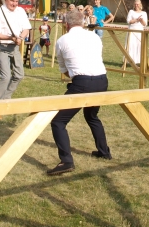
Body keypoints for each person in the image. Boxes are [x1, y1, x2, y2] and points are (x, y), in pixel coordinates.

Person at [47, 10, 111, 175]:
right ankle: (104, 152)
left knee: (58, 122)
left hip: (82, 83)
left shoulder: (62, 41)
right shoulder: (95, 37)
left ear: (66, 24)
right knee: (92, 116)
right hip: (102, 80)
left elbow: (66, 71)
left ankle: (66, 161)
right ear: (83, 22)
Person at [0, 0, 32, 118]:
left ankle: (5, 99)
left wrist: (21, 37)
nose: (14, 4)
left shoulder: (20, 11)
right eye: (12, 1)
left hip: (14, 47)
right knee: (5, 76)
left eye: (17, 1)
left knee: (19, 75)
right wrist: (11, 38)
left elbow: (26, 28)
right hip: (1, 46)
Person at [126, 0, 147, 64]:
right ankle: (129, 61)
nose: (136, 5)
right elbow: (129, 21)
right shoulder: (131, 11)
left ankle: (139, 61)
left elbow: (145, 24)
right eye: (135, 4)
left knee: (139, 46)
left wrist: (141, 20)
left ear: (140, 5)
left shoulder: (144, 13)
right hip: (132, 32)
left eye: (137, 4)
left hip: (140, 32)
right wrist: (136, 20)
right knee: (131, 45)